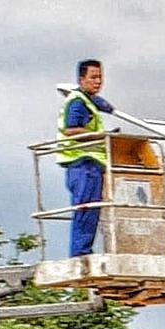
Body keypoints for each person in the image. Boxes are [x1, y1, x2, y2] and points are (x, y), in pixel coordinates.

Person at [58, 59, 116, 257]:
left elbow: (103, 105)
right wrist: (102, 136)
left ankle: (84, 250)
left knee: (92, 210)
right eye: (93, 77)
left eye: (100, 77)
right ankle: (80, 252)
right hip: (81, 163)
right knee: (85, 207)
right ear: (81, 79)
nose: (98, 81)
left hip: (93, 164)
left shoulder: (89, 101)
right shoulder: (77, 102)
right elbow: (70, 129)